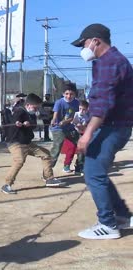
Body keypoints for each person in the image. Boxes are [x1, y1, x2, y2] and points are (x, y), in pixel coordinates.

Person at [71, 24, 133, 239]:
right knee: (99, 173)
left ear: (96, 41)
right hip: (118, 126)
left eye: (84, 43)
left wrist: (87, 134)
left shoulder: (108, 63)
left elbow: (103, 104)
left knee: (93, 173)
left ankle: (107, 224)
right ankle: (123, 216)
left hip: (111, 127)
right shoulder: (117, 61)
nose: (83, 48)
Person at [1, 93, 66, 194]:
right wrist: (18, 123)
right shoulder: (19, 111)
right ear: (28, 105)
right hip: (15, 143)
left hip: (27, 143)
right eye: (35, 107)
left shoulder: (32, 114)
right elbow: (14, 120)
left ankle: (49, 178)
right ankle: (7, 185)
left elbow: (33, 126)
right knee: (19, 161)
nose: (36, 110)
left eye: (38, 108)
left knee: (46, 154)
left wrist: (29, 124)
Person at [49, 82, 80, 170]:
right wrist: (54, 120)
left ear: (74, 94)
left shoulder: (77, 103)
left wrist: (66, 121)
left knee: (82, 144)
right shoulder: (59, 102)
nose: (69, 96)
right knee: (57, 148)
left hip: (70, 128)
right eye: (66, 94)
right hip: (58, 129)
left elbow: (75, 116)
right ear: (63, 94)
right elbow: (55, 115)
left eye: (71, 94)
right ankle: (47, 171)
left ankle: (79, 165)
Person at [71, 100, 91, 175]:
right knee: (79, 151)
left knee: (83, 151)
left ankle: (80, 166)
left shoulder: (86, 116)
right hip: (74, 133)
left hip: (81, 133)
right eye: (80, 109)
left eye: (83, 109)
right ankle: (78, 167)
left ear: (87, 110)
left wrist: (81, 126)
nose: (81, 111)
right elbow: (71, 123)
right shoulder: (76, 114)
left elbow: (83, 126)